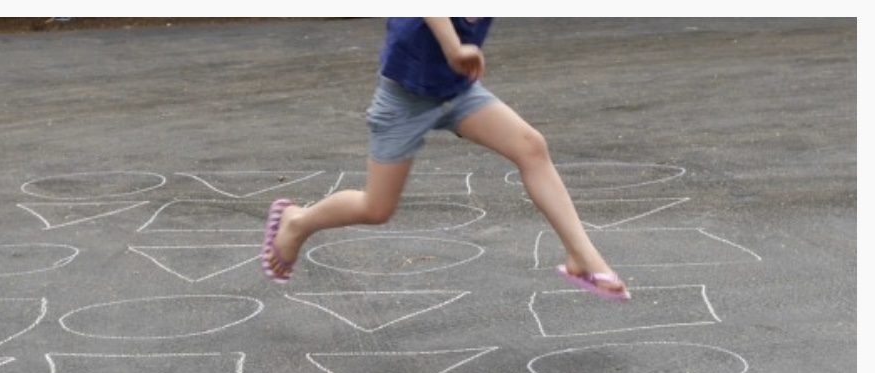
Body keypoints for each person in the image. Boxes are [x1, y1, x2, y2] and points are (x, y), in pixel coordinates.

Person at [261, 17, 629, 300]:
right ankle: (297, 222)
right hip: (405, 99)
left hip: (459, 92)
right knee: (376, 208)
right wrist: (454, 49)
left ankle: (583, 258)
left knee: (531, 147)